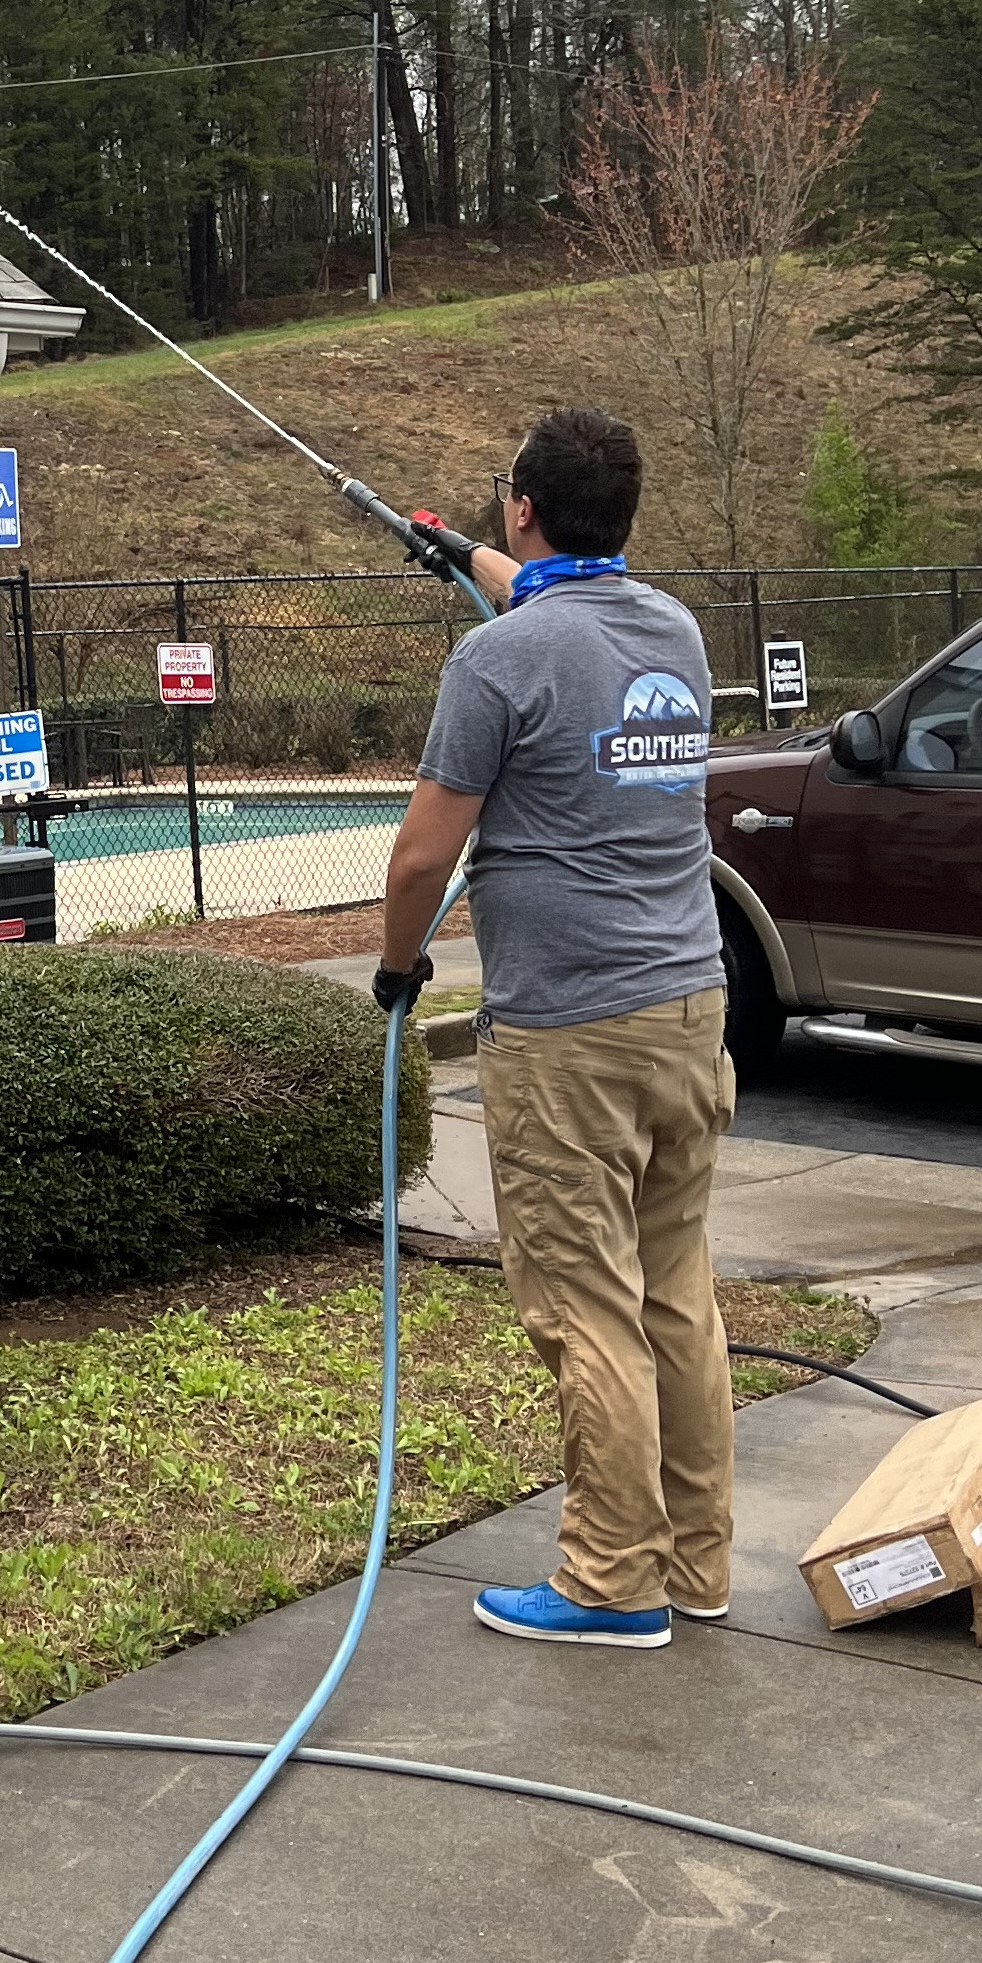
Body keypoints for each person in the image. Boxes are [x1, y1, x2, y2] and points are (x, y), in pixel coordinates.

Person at [375, 404, 733, 1649]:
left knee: (586, 1309)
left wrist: (394, 966)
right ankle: (694, 1567)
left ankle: (608, 1585)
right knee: (674, 1294)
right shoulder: (673, 631)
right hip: (690, 1009)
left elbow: (425, 853)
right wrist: (445, 554)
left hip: (571, 1035)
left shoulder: (501, 660)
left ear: (523, 505)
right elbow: (552, 607)